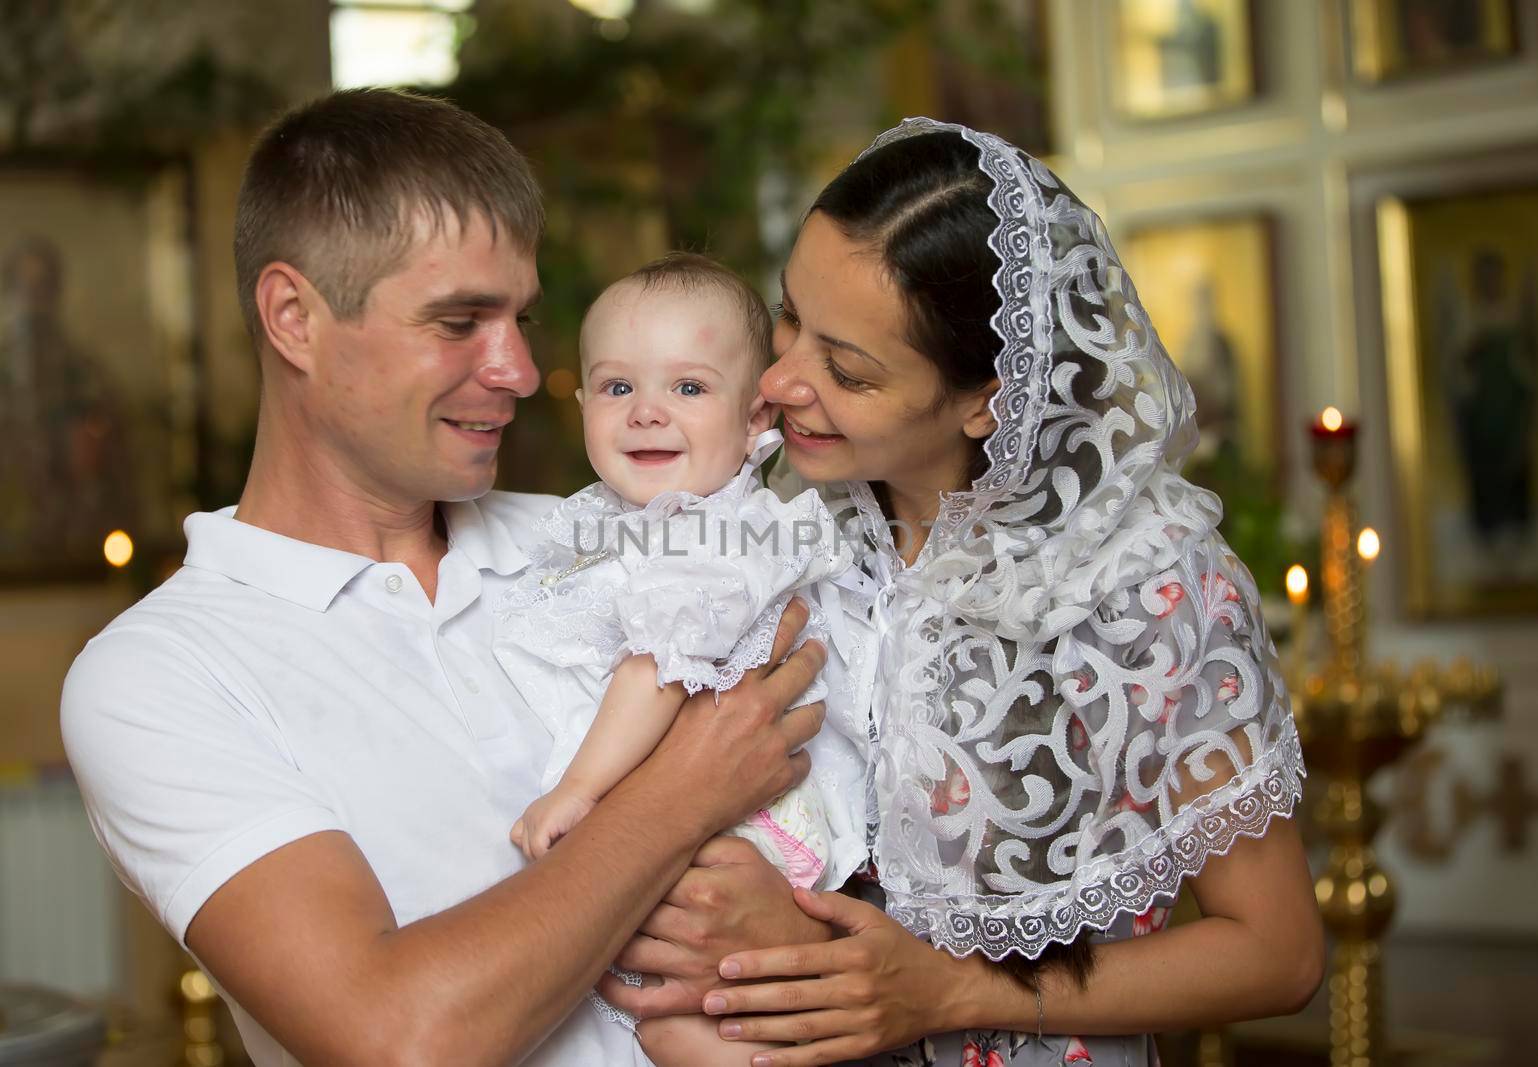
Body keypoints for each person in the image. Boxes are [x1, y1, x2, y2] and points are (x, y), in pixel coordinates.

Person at [60, 88, 830, 1067]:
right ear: (295, 318)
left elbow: (832, 828)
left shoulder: (612, 545)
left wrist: (787, 933)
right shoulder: (157, 676)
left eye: (519, 317)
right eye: (460, 320)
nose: (515, 367)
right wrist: (677, 795)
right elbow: (397, 1036)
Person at [609, 120, 1326, 1065]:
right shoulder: (768, 515)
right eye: (789, 319)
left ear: (990, 394)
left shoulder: (1146, 591)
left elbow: (1277, 954)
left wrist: (952, 989)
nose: (780, 382)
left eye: (849, 370)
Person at [491, 253, 872, 1064]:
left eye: (688, 388)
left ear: (753, 423)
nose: (646, 413)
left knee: (689, 1023)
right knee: (675, 1025)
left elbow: (654, 671)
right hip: (685, 811)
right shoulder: (616, 523)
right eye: (618, 387)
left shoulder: (720, 536)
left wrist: (577, 791)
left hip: (744, 828)